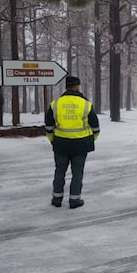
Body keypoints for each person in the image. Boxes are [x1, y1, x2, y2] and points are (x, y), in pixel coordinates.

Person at [45, 76, 100, 209]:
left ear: (66, 87)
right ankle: (74, 200)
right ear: (77, 86)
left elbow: (49, 127)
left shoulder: (56, 104)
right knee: (77, 172)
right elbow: (95, 127)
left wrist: (53, 140)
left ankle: (57, 199)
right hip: (80, 145)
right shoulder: (86, 104)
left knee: (59, 171)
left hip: (61, 144)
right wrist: (91, 139)